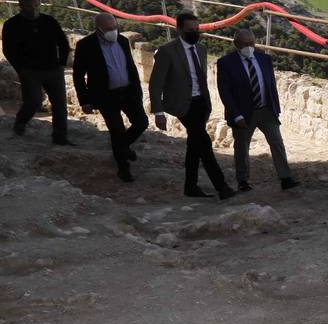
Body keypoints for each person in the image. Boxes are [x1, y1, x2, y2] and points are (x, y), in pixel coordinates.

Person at [148, 12, 235, 201]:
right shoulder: (167, 51)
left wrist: (207, 102)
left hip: (201, 103)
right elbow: (156, 83)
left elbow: (200, 77)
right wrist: (158, 111)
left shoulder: (201, 50)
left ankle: (190, 186)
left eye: (197, 29)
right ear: (179, 29)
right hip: (182, 104)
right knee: (203, 143)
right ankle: (222, 187)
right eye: (190, 30)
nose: (195, 33)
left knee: (194, 145)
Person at [216, 29, 297, 192]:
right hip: (243, 113)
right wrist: (236, 114)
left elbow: (271, 85)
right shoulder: (226, 63)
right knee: (241, 147)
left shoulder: (264, 59)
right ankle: (243, 181)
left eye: (251, 43)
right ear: (236, 44)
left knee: (277, 143)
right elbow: (225, 92)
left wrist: (276, 109)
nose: (249, 47)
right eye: (244, 44)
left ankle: (285, 178)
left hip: (266, 110)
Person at [72, 12, 147, 182]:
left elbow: (131, 67)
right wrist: (85, 100)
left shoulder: (122, 41)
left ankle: (123, 147)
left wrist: (138, 91)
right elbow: (78, 75)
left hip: (127, 92)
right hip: (105, 95)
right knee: (116, 130)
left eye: (115, 27)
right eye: (108, 29)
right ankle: (123, 167)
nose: (113, 31)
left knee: (141, 122)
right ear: (98, 29)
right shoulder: (86, 45)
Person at [3, 0, 72, 144]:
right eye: (29, 6)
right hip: (30, 70)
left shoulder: (49, 21)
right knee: (33, 102)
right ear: (21, 6)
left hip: (53, 69)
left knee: (60, 104)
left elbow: (63, 43)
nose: (33, 9)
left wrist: (61, 63)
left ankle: (60, 136)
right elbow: (8, 50)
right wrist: (20, 69)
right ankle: (20, 122)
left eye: (36, 5)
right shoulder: (12, 25)